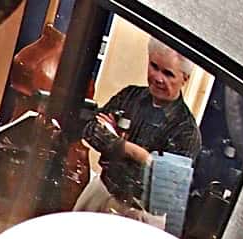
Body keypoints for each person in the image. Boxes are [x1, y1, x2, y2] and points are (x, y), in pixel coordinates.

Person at [74, 39, 200, 224]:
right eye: (154, 66)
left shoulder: (186, 130)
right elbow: (91, 129)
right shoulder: (130, 95)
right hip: (100, 190)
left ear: (185, 79)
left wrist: (113, 141)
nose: (158, 77)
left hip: (140, 215)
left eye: (168, 73)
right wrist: (136, 153)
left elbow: (164, 189)